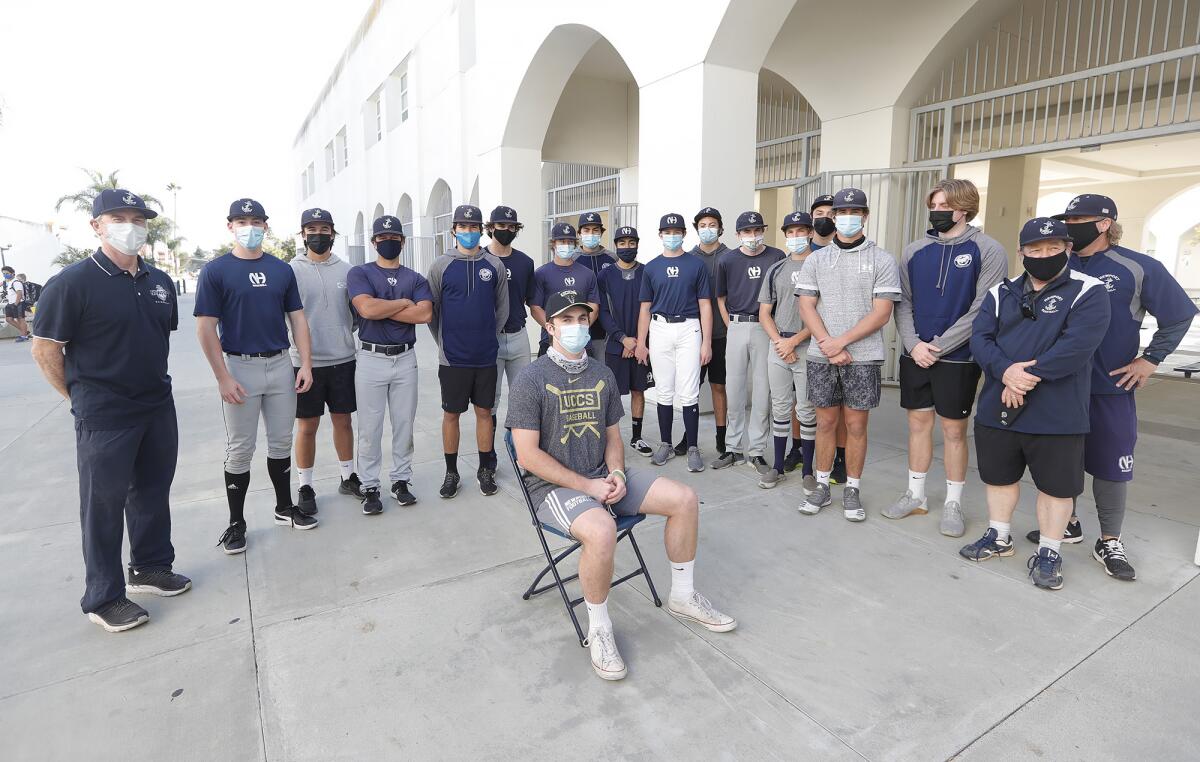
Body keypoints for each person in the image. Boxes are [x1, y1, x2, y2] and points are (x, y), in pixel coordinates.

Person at [507, 290, 736, 681]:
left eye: (582, 319)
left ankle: (682, 595)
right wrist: (588, 487)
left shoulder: (601, 373)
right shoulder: (531, 379)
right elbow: (527, 456)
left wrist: (614, 473)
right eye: (566, 320)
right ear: (549, 327)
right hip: (553, 490)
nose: (576, 327)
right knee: (601, 529)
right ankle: (599, 628)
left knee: (684, 498)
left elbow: (613, 436)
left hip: (602, 476)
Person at [31, 188, 190, 632]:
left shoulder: (159, 281)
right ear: (96, 226)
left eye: (138, 218)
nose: (130, 226)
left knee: (153, 489)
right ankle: (103, 596)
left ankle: (151, 565)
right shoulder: (72, 283)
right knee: (102, 505)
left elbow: (156, 337)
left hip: (157, 404)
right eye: (118, 218)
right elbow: (45, 350)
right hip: (105, 415)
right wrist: (79, 398)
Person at [1030, 194, 1198, 580]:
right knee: (1061, 460)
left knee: (1111, 466)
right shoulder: (1057, 263)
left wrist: (1151, 360)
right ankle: (1067, 523)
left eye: (1079, 219)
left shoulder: (1137, 267)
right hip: (1058, 384)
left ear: (1105, 223)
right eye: (1067, 220)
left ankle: (1108, 540)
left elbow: (1179, 316)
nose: (1070, 226)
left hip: (1109, 385)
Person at [961, 217, 1110, 591]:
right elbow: (981, 340)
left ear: (1067, 249)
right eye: (1035, 249)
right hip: (999, 403)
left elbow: (1076, 347)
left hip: (1057, 411)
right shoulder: (1001, 292)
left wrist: (1023, 379)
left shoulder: (1088, 291)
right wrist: (1006, 372)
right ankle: (999, 536)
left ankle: (1049, 551)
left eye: (1053, 249)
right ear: (1022, 252)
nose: (1044, 255)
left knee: (1057, 488)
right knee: (998, 477)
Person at [196, 198, 317, 555]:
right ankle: (236, 523)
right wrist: (222, 377)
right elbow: (205, 328)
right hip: (239, 367)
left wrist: (305, 364)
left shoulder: (281, 270)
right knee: (240, 449)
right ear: (230, 225)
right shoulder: (216, 271)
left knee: (281, 441)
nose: (250, 226)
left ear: (266, 225)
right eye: (242, 220)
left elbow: (297, 319)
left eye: (256, 220)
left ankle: (284, 507)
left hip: (280, 364)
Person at [887, 179, 1007, 537]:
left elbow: (983, 307)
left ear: (965, 208)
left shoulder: (988, 249)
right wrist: (912, 344)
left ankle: (953, 501)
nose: (937, 212)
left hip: (957, 356)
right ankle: (916, 495)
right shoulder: (913, 251)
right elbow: (903, 302)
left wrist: (936, 346)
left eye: (944, 206)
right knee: (917, 425)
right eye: (934, 206)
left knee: (954, 431)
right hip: (915, 353)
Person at [797, 188, 901, 521]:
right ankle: (823, 485)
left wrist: (840, 342)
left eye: (854, 212)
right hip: (821, 354)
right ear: (831, 218)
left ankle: (852, 489)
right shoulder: (817, 259)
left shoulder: (881, 259)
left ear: (865, 216)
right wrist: (828, 342)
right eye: (840, 212)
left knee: (856, 425)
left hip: (863, 355)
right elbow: (807, 305)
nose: (846, 218)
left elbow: (882, 312)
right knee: (825, 421)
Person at [348, 215, 434, 513]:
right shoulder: (360, 273)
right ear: (373, 242)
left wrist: (382, 307)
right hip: (371, 358)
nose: (388, 242)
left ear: (403, 241)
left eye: (394, 237)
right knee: (370, 428)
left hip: (404, 357)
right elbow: (366, 309)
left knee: (403, 424)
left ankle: (401, 480)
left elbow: (424, 315)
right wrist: (402, 303)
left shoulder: (416, 278)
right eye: (382, 238)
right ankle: (370, 486)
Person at [427, 204, 509, 499]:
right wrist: (445, 342)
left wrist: (488, 336)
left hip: (486, 355)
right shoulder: (440, 266)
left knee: (484, 412)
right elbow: (432, 311)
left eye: (474, 227)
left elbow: (502, 310)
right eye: (463, 227)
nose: (469, 232)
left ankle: (484, 469)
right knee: (451, 414)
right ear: (454, 231)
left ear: (481, 230)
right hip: (452, 358)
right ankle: (451, 473)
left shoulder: (494, 265)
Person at [290, 208, 362, 515]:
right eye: (312, 229)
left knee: (343, 421)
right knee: (307, 426)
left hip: (343, 358)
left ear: (333, 232)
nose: (318, 234)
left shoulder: (348, 270)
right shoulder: (290, 271)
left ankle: (348, 476)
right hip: (305, 363)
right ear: (303, 233)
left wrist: (341, 334)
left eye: (324, 229)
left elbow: (356, 313)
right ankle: (305, 484)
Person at [635, 213, 713, 471]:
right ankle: (666, 443)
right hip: (659, 328)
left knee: (689, 390)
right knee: (664, 390)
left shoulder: (696, 265)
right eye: (667, 232)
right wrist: (641, 342)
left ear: (683, 234)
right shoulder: (651, 267)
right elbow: (645, 307)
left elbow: (705, 305)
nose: (672, 236)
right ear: (660, 235)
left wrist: (707, 342)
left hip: (689, 327)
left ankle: (692, 446)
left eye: (676, 231)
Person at [712, 211, 785, 472]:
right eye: (746, 232)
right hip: (737, 325)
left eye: (756, 231)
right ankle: (732, 448)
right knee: (734, 388)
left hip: (766, 327)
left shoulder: (776, 257)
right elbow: (720, 297)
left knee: (762, 390)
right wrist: (731, 324)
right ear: (737, 234)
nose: (752, 237)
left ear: (763, 231)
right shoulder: (727, 259)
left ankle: (756, 450)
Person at [757, 211, 817, 491]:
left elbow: (822, 313)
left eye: (800, 231)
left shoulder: (819, 264)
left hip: (808, 346)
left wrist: (795, 342)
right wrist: (781, 342)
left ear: (811, 233)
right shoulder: (776, 269)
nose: (795, 237)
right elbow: (765, 312)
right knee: (780, 407)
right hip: (778, 346)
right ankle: (778, 467)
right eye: (790, 233)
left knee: (806, 410)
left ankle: (807, 470)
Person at [598, 226, 655, 456]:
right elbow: (602, 313)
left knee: (638, 390)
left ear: (638, 244)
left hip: (642, 344)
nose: (627, 247)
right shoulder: (605, 275)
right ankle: (608, 441)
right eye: (623, 243)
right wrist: (623, 339)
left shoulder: (647, 272)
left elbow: (650, 308)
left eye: (632, 243)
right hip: (616, 344)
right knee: (610, 394)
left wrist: (638, 342)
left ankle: (637, 437)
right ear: (616, 245)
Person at [804, 194, 848, 482]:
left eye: (831, 213)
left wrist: (835, 342)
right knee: (806, 405)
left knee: (843, 409)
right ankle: (801, 453)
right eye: (819, 212)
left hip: (842, 342)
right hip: (808, 343)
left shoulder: (845, 252)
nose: (825, 217)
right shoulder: (801, 254)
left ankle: (841, 458)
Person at [681, 207, 730, 458]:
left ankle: (723, 438)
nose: (708, 229)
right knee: (691, 386)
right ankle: (688, 438)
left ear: (720, 227)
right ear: (696, 228)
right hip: (693, 333)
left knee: (718, 386)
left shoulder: (731, 257)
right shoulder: (689, 258)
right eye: (703, 225)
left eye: (713, 224)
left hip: (722, 334)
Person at [486, 205, 535, 441]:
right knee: (490, 401)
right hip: (489, 339)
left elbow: (531, 300)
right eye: (501, 226)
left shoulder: (525, 262)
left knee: (523, 398)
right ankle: (489, 458)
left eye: (511, 227)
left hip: (518, 336)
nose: (506, 230)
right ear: (491, 227)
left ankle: (522, 454)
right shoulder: (480, 259)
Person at [531, 223, 600, 358]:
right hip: (550, 341)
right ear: (554, 244)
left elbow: (594, 307)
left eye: (570, 242)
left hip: (583, 343)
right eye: (562, 241)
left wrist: (579, 331)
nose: (566, 245)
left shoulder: (587, 274)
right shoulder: (541, 273)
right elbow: (535, 308)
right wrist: (556, 330)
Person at [576, 211, 617, 358]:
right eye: (586, 230)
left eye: (595, 230)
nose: (591, 234)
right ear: (579, 233)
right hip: (579, 327)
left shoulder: (612, 258)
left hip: (607, 329)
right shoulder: (573, 259)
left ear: (601, 232)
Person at [3, 266, 30, 342]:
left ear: (12, 273)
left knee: (20, 319)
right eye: (4, 273)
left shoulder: (16, 282)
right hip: (10, 303)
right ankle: (25, 331)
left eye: (7, 273)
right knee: (9, 319)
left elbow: (19, 294)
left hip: (18, 303)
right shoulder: (9, 282)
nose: (5, 275)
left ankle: (24, 336)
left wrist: (15, 304)